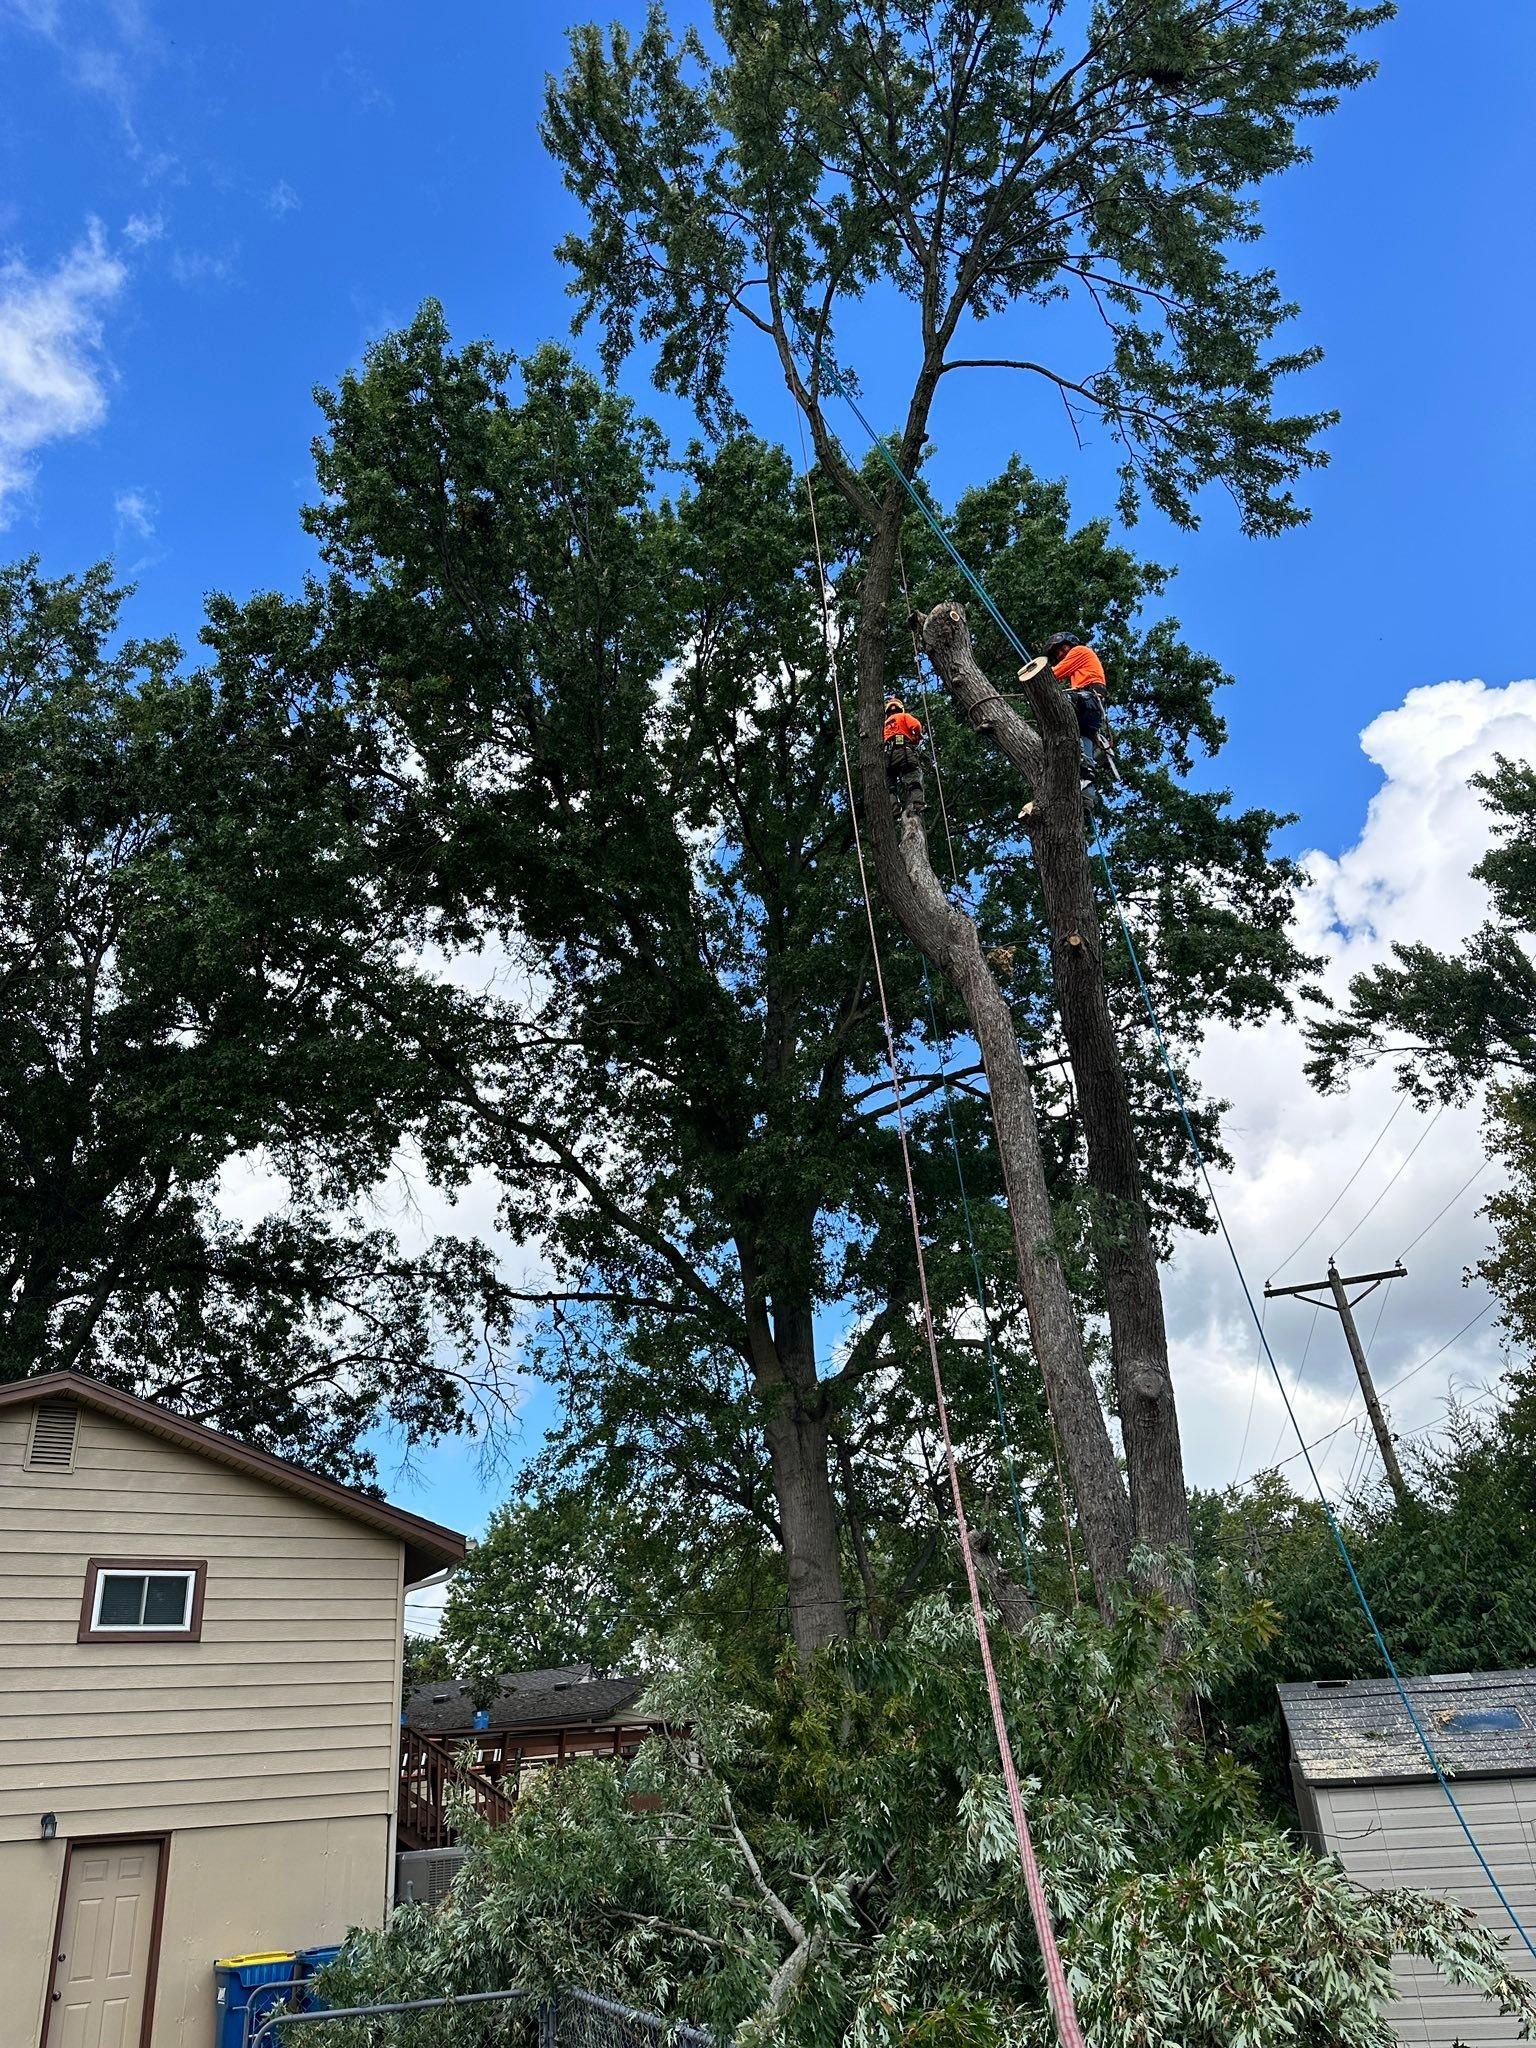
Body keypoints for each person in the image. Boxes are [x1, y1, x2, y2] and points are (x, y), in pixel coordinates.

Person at [1037, 630, 1118, 786]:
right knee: (1081, 739)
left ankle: (1088, 762)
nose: (1061, 654)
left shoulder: (1079, 651)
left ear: (1070, 644)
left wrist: (1036, 676)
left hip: (1089, 699)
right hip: (1090, 707)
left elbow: (1054, 674)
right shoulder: (1078, 671)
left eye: (1062, 648)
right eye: (1057, 653)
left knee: (1063, 700)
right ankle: (1086, 781)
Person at [882, 694, 926, 815]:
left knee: (890, 784)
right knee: (913, 777)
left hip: (888, 756)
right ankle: (918, 804)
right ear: (900, 708)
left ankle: (894, 807)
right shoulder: (903, 716)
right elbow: (916, 726)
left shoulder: (884, 724)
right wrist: (916, 738)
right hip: (903, 751)